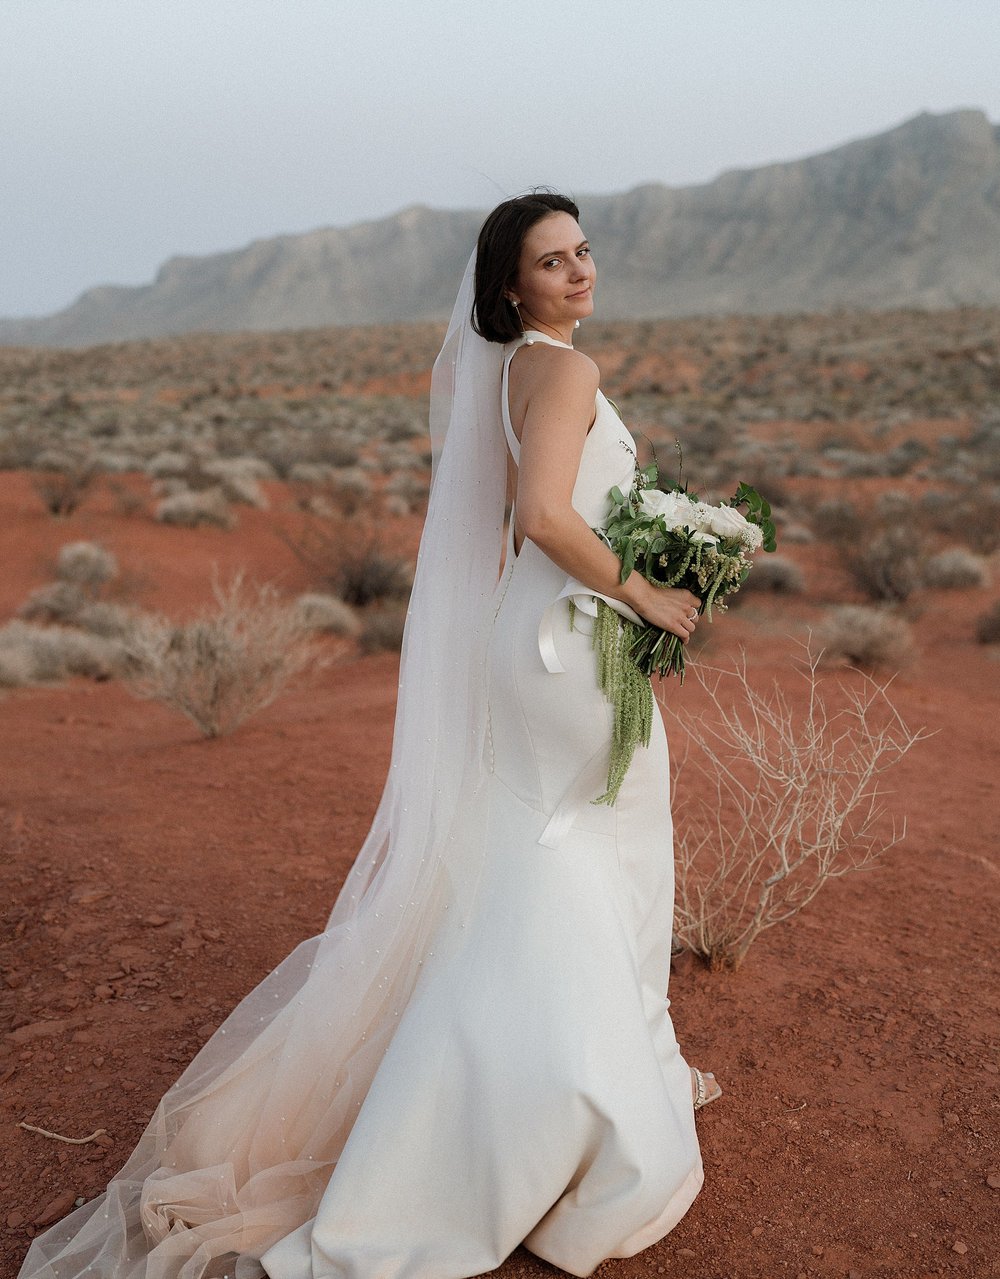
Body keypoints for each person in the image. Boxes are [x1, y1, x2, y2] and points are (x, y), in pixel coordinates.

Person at [18, 192, 720, 1279]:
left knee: (538, 849)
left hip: (528, 638)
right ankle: (540, 1112)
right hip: (569, 646)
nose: (580, 272)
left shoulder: (515, 369)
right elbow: (541, 516)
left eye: (583, 251)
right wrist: (649, 591)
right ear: (509, 287)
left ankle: (505, 1082)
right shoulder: (566, 373)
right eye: (552, 262)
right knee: (569, 852)